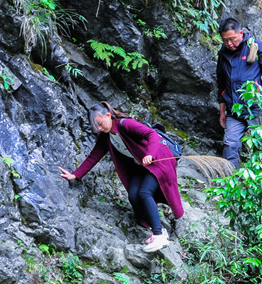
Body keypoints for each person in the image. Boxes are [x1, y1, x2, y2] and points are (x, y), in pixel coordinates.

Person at [60, 103, 184, 253]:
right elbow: (94, 156)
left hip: (158, 160)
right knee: (133, 195)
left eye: (100, 123)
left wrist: (149, 154)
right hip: (142, 166)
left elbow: (151, 134)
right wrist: (75, 175)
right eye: (96, 126)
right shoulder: (106, 137)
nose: (99, 128)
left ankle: (159, 236)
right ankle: (157, 228)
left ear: (108, 116)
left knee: (144, 193)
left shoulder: (125, 124)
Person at [215, 17, 262, 168]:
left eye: (232, 39)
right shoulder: (223, 54)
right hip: (234, 111)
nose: (229, 43)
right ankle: (232, 182)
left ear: (240, 33)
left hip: (258, 109)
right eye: (225, 40)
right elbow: (221, 84)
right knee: (230, 146)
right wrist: (222, 112)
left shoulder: (256, 46)